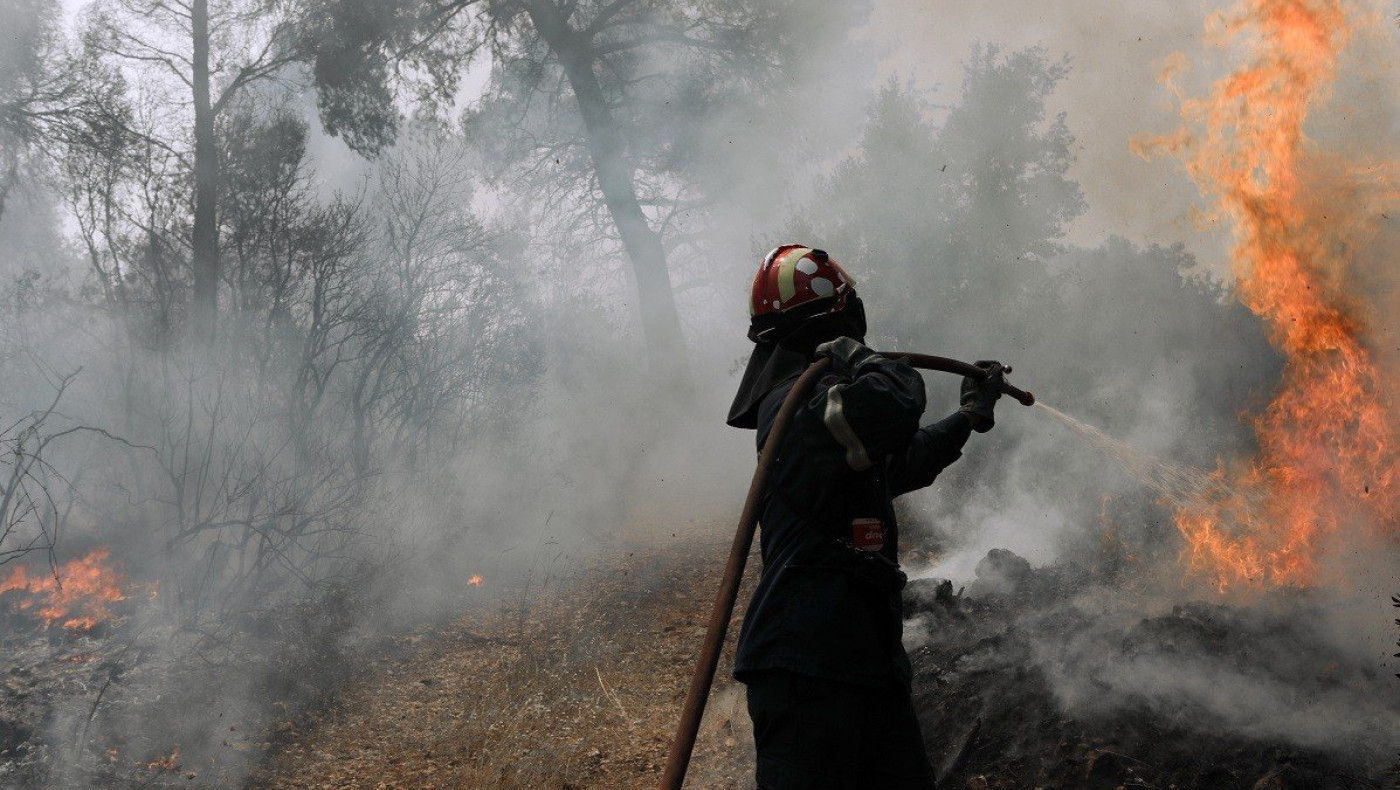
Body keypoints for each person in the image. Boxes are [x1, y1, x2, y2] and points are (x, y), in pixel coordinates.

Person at [726, 245, 1006, 790]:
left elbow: (899, 463)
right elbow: (894, 401)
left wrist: (968, 417)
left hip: (863, 662)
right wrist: (864, 358)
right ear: (836, 320)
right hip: (806, 668)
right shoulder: (794, 408)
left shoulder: (828, 416)